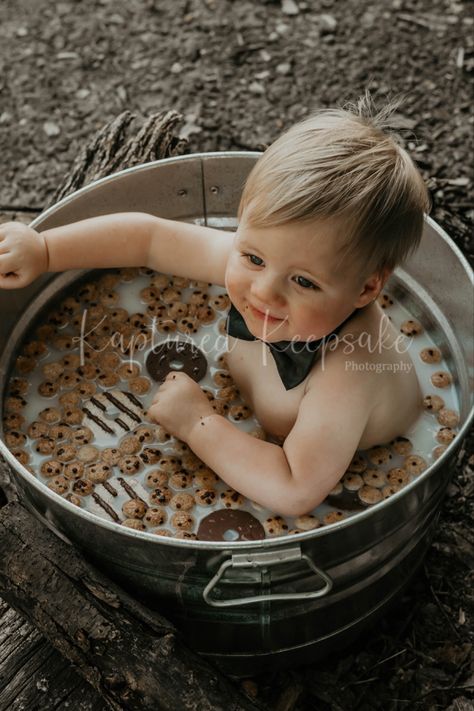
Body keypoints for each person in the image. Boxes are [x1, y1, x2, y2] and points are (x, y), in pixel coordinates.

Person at [0, 97, 430, 516]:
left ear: (366, 289)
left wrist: (198, 424)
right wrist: (44, 249)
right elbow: (147, 239)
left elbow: (296, 489)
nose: (263, 291)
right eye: (253, 258)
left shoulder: (351, 372)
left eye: (304, 282)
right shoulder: (272, 262)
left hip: (365, 456)